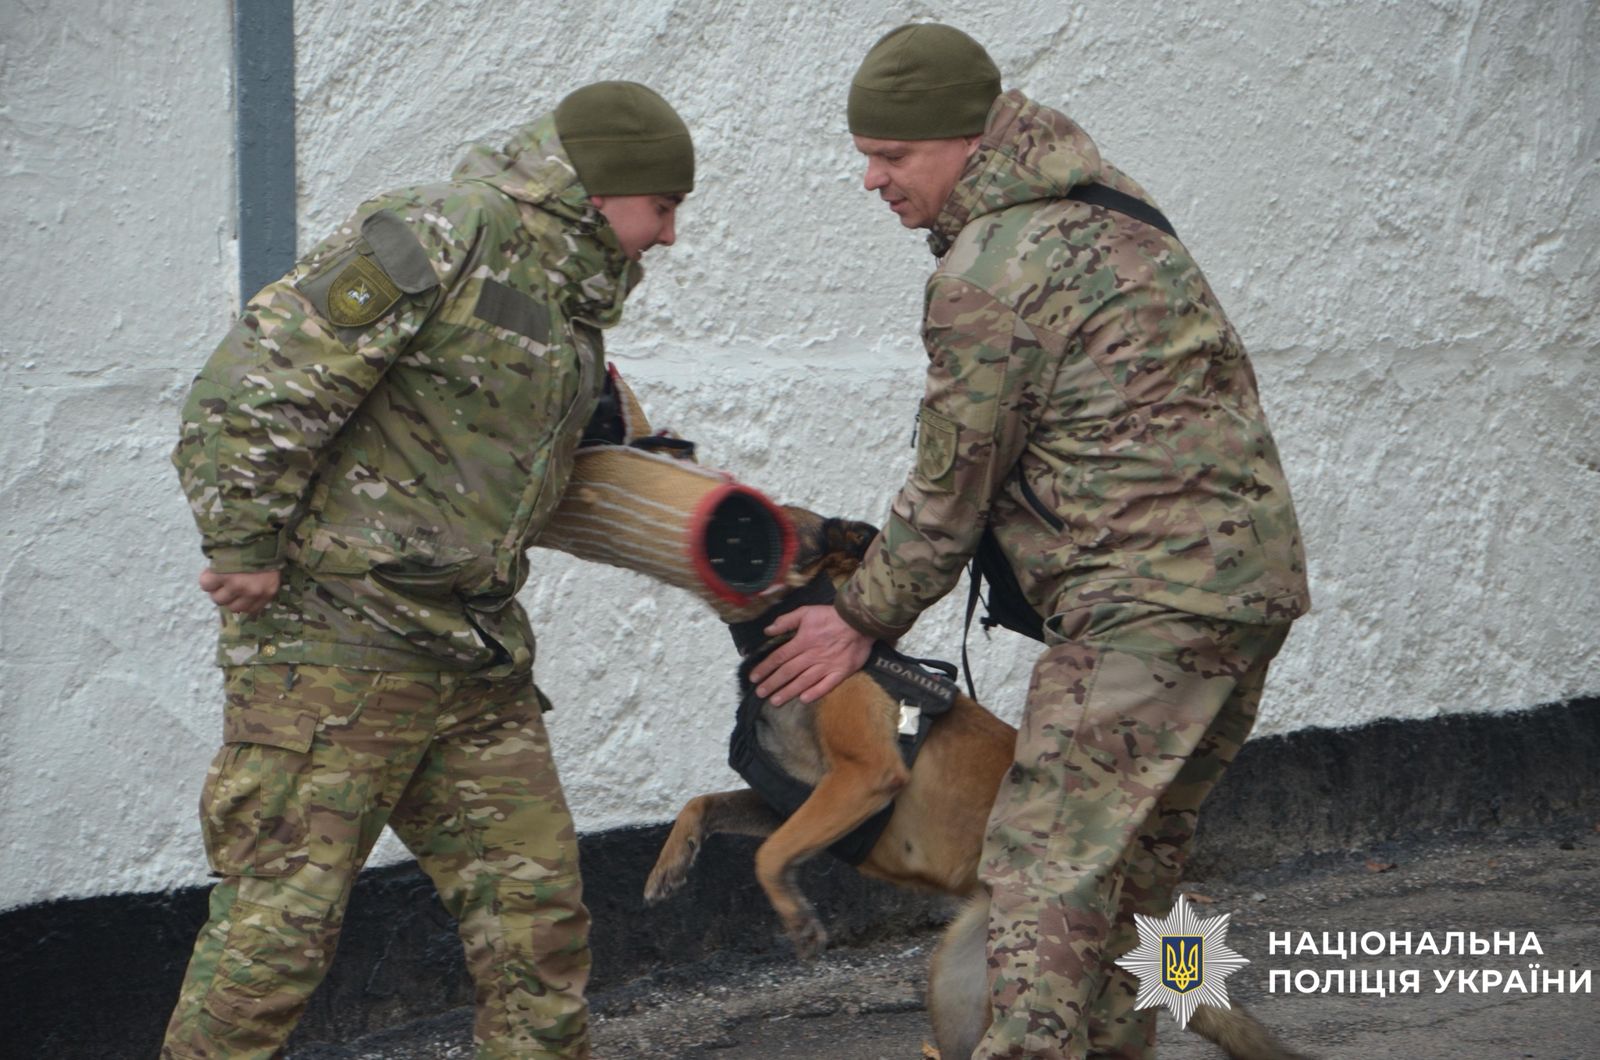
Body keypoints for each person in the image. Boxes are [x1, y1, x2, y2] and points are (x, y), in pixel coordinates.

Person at [750, 24, 1310, 1060]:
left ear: (964, 139)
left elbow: (951, 486)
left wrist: (858, 615)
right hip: (1248, 590)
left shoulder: (988, 268)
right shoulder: (1118, 212)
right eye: (863, 153)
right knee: (1134, 867)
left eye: (891, 155)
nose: (869, 178)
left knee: (1042, 869)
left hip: (1139, 604)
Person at [162, 81, 693, 1060]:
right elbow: (254, 383)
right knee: (273, 942)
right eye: (663, 207)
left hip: (472, 655)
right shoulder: (439, 236)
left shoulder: (568, 308)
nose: (666, 236)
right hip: (338, 650)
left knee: (539, 927)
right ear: (605, 187)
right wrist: (241, 544)